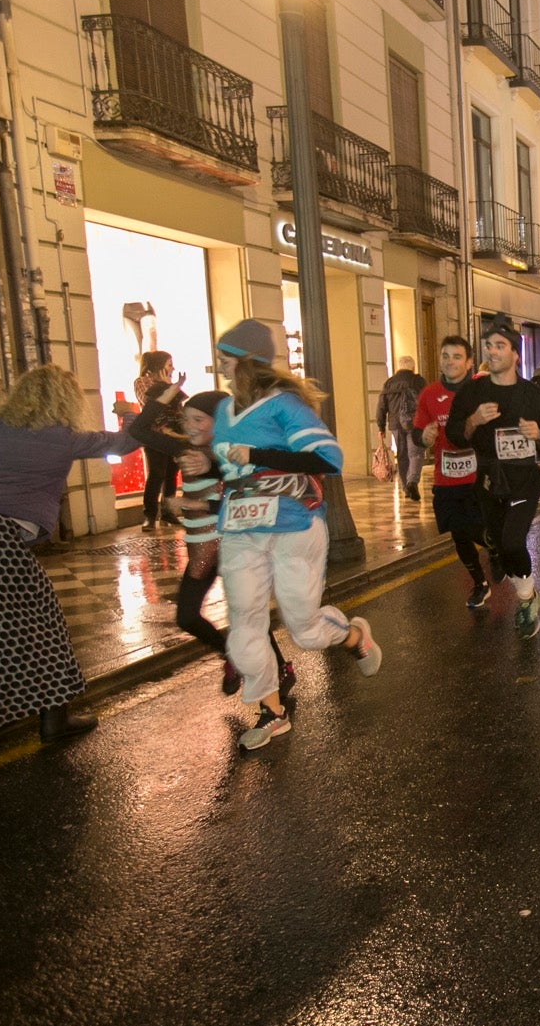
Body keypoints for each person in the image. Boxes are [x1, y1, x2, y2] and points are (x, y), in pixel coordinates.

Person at [196, 320, 382, 752]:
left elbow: (328, 458)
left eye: (225, 357)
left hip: (294, 526)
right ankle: (272, 713)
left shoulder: (284, 405)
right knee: (245, 623)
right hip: (241, 529)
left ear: (245, 361)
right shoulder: (223, 410)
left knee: (304, 629)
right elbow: (228, 468)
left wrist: (258, 454)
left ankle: (353, 635)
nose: (220, 364)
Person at [0, 365, 144, 742]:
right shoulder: (64, 438)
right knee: (44, 628)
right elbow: (126, 444)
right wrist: (129, 413)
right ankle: (54, 722)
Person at [128, 381, 295, 696]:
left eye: (198, 420)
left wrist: (197, 504)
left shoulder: (233, 456)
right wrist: (162, 399)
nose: (189, 427)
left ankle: (279, 672)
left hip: (234, 546)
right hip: (200, 550)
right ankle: (230, 653)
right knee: (187, 616)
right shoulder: (183, 449)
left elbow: (248, 500)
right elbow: (140, 430)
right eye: (186, 419)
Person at [445, 314, 540, 638]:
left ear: (515, 353)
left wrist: (538, 435)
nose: (492, 351)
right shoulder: (471, 392)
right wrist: (474, 421)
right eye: (489, 346)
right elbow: (455, 435)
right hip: (488, 479)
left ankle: (527, 600)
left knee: (512, 540)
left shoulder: (533, 395)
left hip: (523, 478)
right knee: (496, 541)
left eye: (500, 346)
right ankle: (506, 564)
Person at [414, 336, 491, 609]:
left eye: (457, 356)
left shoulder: (480, 391)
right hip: (445, 477)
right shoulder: (429, 394)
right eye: (445, 355)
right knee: (458, 533)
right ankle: (479, 582)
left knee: (478, 528)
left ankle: (500, 552)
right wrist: (424, 437)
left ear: (469, 362)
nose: (450, 361)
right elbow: (417, 434)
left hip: (478, 476)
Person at [133, 350, 180, 530]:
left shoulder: (169, 383)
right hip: (154, 435)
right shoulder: (142, 382)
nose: (172, 368)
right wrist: (166, 386)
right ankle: (150, 515)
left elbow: (177, 406)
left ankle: (168, 513)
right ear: (158, 366)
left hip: (172, 434)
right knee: (157, 473)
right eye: (169, 364)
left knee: (171, 474)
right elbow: (151, 403)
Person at [377, 355, 427, 502]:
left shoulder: (389, 383)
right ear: (413, 368)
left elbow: (381, 406)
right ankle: (413, 481)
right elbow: (427, 401)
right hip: (415, 423)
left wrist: (381, 427)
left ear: (398, 367)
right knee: (416, 453)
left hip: (395, 425)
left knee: (402, 455)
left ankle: (406, 488)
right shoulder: (419, 381)